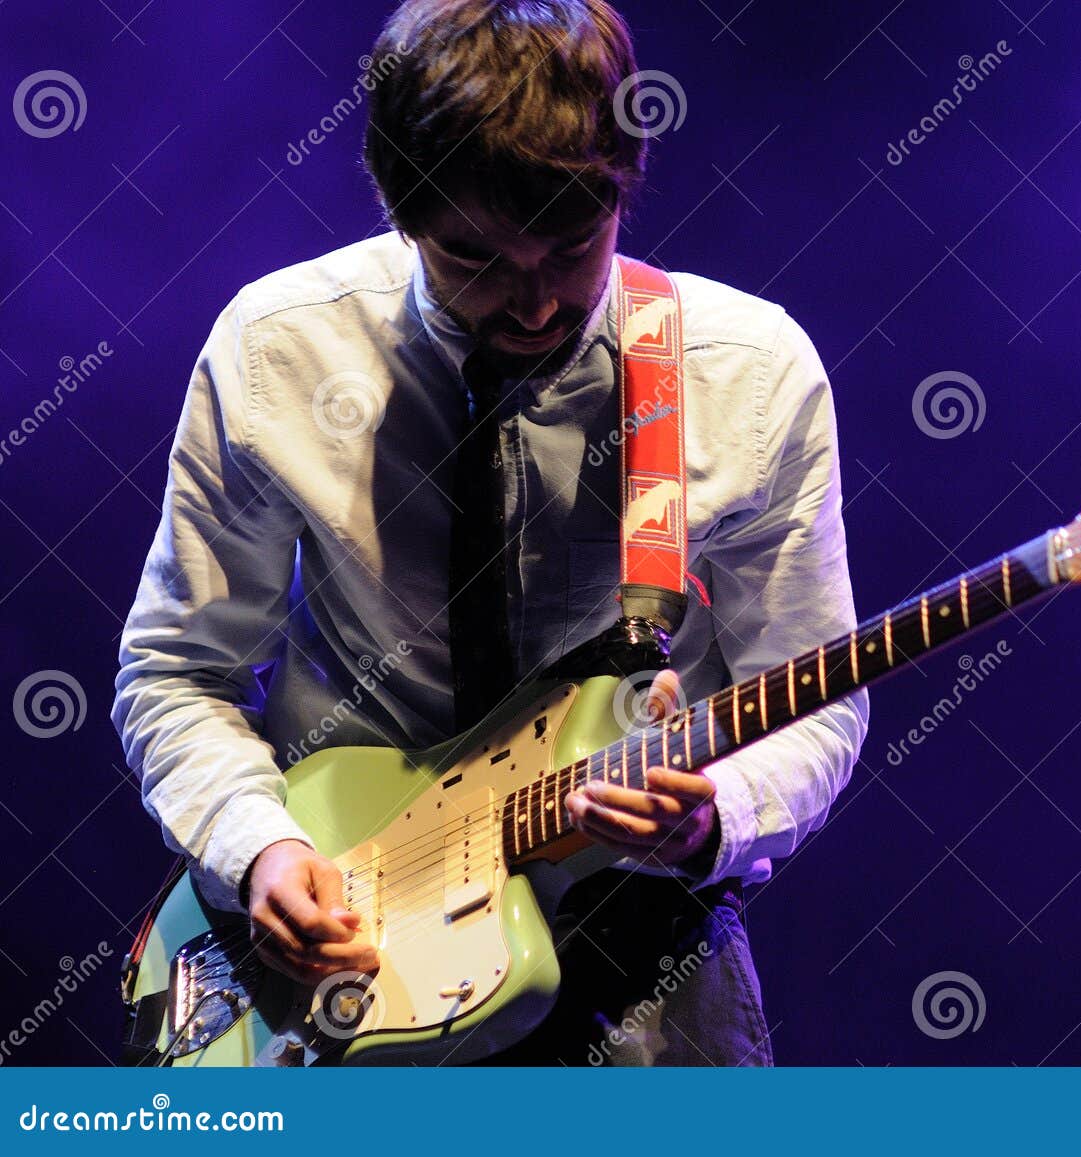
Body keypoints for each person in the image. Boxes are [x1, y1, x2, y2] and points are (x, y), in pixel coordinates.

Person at [109, 0, 867, 1066]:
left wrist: (717, 816)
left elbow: (816, 695)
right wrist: (260, 848)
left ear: (623, 189)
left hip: (643, 961)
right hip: (348, 939)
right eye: (473, 256)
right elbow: (176, 671)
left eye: (572, 245)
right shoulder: (277, 349)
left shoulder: (747, 375)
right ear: (399, 211)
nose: (534, 305)